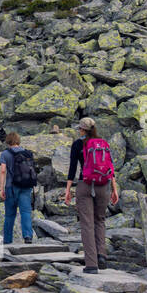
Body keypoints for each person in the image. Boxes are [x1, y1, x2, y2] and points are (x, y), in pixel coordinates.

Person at [63, 117, 119, 274]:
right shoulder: (103, 143)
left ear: (82, 129)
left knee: (87, 223)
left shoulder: (78, 144)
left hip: (85, 185)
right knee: (100, 220)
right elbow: (111, 167)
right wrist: (114, 189)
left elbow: (73, 168)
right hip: (104, 185)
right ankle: (102, 255)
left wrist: (68, 190)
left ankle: (92, 264)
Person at [0, 132, 36, 245]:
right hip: (26, 186)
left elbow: (3, 171)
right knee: (25, 212)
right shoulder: (27, 153)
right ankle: (28, 236)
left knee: (10, 215)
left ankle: (7, 240)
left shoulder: (5, 154)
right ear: (18, 140)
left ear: (8, 141)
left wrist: (1, 188)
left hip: (11, 187)